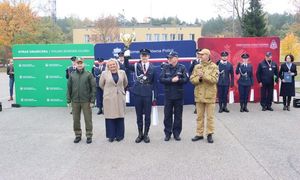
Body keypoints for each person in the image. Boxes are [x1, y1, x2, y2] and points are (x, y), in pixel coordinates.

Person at [124, 48, 157, 143]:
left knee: (147, 115)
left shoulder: (153, 68)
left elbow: (155, 83)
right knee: (138, 115)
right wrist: (126, 56)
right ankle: (140, 134)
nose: (144, 57)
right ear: (140, 56)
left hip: (147, 94)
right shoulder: (136, 66)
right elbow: (126, 66)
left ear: (149, 56)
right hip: (138, 93)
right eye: (142, 55)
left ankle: (146, 134)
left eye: (145, 55)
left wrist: (155, 97)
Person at [190, 49, 218, 143]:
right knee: (199, 116)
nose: (200, 56)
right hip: (199, 95)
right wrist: (199, 78)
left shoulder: (214, 66)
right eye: (200, 55)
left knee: (210, 117)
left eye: (202, 55)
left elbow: (214, 80)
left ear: (207, 55)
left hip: (210, 95)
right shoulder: (197, 66)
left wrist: (204, 75)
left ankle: (209, 134)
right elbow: (192, 79)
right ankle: (199, 134)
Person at [160, 51, 188, 141]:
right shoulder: (165, 67)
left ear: (176, 58)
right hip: (168, 95)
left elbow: (186, 79)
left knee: (178, 115)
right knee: (167, 115)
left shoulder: (182, 67)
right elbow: (161, 79)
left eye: (171, 58)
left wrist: (179, 79)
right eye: (168, 58)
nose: (169, 59)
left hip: (178, 95)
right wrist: (171, 80)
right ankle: (167, 133)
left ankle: (176, 133)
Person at [67, 57, 96, 144]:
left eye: (81, 63)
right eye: (78, 63)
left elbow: (93, 88)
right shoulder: (72, 75)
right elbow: (69, 88)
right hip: (75, 101)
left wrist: (92, 101)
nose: (79, 65)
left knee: (88, 119)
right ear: (75, 64)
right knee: (76, 119)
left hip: (86, 101)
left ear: (83, 64)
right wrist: (68, 100)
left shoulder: (88, 74)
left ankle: (89, 135)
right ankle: (78, 135)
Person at [100, 59, 128, 142]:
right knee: (110, 117)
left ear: (116, 65)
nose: (112, 66)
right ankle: (111, 136)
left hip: (120, 97)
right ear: (108, 66)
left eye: (114, 64)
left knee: (120, 116)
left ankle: (120, 135)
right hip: (109, 98)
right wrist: (108, 92)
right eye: (110, 65)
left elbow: (125, 83)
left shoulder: (122, 72)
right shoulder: (104, 74)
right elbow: (101, 85)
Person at [189, 48, 202, 114]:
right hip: (196, 81)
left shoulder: (204, 61)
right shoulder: (193, 61)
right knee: (196, 94)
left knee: (202, 94)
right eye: (197, 53)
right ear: (195, 54)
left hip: (203, 80)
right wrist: (192, 78)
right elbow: (190, 70)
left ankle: (202, 108)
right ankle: (196, 108)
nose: (198, 55)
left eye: (200, 53)